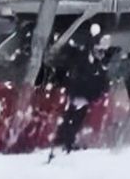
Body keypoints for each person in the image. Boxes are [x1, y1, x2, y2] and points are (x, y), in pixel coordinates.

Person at [45, 18, 111, 156]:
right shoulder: (84, 57)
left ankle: (66, 141)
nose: (100, 54)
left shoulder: (96, 63)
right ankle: (65, 142)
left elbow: (99, 78)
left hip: (84, 94)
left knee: (74, 119)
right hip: (78, 92)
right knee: (72, 119)